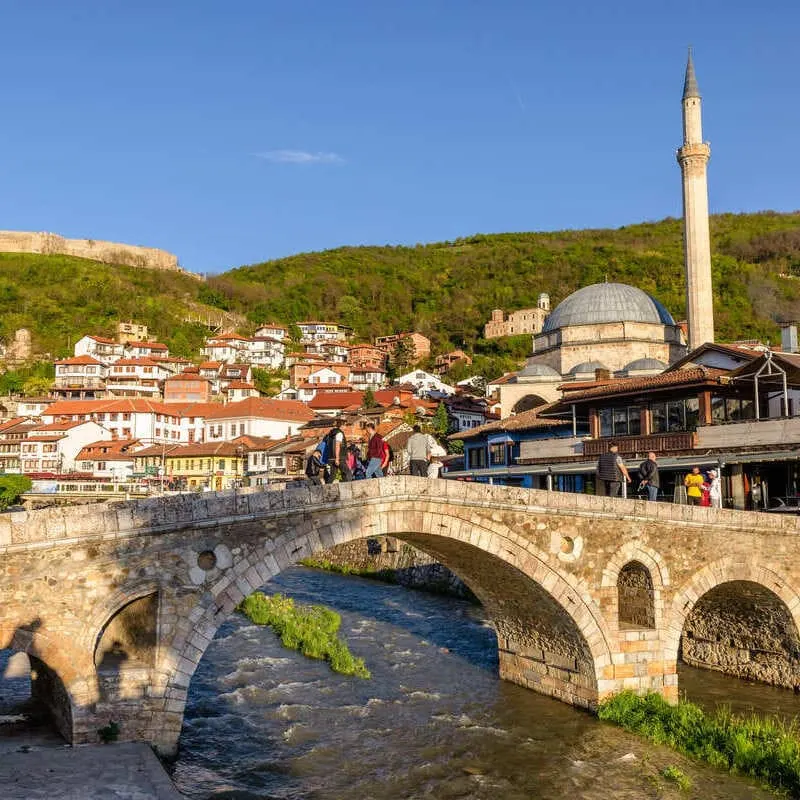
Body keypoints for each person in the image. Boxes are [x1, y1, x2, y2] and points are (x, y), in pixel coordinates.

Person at [323, 418, 352, 483]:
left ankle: (327, 489)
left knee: (332, 475)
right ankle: (346, 488)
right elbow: (337, 445)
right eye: (345, 425)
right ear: (342, 425)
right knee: (347, 473)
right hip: (339, 457)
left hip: (331, 457)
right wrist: (337, 458)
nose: (346, 426)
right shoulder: (339, 433)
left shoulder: (331, 434)